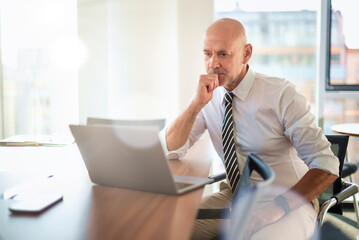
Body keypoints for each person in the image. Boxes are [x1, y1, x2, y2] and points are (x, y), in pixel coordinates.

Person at [160, 18, 339, 240]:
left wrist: (274, 209)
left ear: (246, 54)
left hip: (287, 201)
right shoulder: (208, 96)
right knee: (166, 229)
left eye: (223, 54)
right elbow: (170, 150)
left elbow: (327, 164)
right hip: (235, 197)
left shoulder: (282, 95)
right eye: (207, 53)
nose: (213, 63)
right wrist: (195, 106)